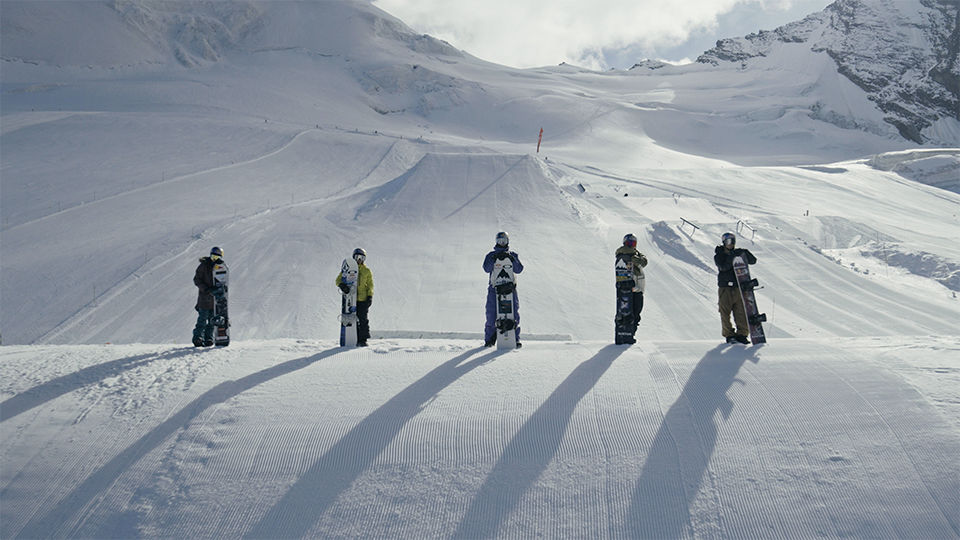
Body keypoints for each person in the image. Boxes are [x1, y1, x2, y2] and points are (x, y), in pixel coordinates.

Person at [483, 231, 524, 347]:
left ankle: (515, 338)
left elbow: (519, 269)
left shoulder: (513, 255)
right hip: (494, 289)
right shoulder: (490, 255)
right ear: (496, 241)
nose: (502, 243)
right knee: (491, 314)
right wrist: (494, 258)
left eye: (504, 241)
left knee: (513, 314)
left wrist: (512, 258)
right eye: (500, 241)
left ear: (508, 241)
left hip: (510, 289)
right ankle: (490, 339)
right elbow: (486, 268)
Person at [714, 232, 756, 344]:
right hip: (725, 288)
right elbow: (723, 267)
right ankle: (729, 334)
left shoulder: (737, 254)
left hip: (738, 287)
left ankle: (742, 334)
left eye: (733, 242)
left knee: (741, 311)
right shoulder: (719, 255)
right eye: (728, 242)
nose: (731, 244)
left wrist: (745, 253)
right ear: (723, 243)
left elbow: (753, 261)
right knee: (725, 311)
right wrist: (731, 256)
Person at [336, 248, 374, 346]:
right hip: (351, 299)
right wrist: (343, 286)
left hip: (362, 299)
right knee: (352, 320)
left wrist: (370, 296)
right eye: (357, 257)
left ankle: (363, 340)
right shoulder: (349, 269)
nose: (359, 260)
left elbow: (370, 285)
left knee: (363, 319)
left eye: (362, 258)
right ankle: (353, 338)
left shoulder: (366, 271)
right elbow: (338, 280)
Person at [615, 233, 648, 344]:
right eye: (629, 243)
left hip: (638, 289)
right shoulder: (626, 256)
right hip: (632, 289)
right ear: (624, 243)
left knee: (635, 314)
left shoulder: (636, 255)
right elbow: (641, 262)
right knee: (632, 313)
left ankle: (630, 334)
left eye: (633, 243)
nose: (631, 246)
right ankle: (627, 334)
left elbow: (644, 262)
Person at [193, 246, 225, 347]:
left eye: (216, 257)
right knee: (202, 319)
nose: (213, 259)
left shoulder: (220, 267)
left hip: (214, 299)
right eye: (212, 256)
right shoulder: (203, 266)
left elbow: (223, 278)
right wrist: (206, 289)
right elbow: (197, 280)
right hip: (204, 298)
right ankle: (198, 338)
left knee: (212, 321)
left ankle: (208, 339)